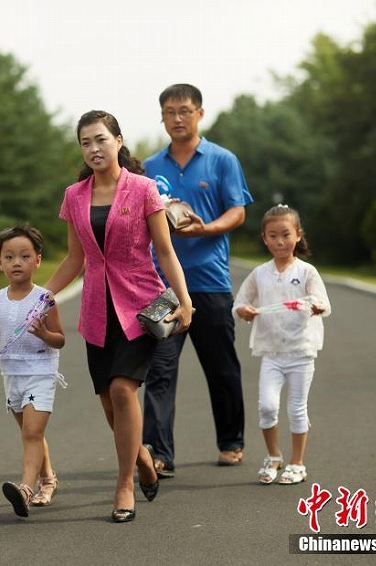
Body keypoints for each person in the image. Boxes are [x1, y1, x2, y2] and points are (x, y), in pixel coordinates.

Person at [44, 110, 192, 523]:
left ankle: (124, 483)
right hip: (96, 308)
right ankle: (142, 456)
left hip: (140, 305)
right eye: (85, 142)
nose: (94, 148)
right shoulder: (74, 195)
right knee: (108, 402)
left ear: (118, 141)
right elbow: (75, 258)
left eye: (101, 139)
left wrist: (185, 301)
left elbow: (165, 251)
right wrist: (42, 296)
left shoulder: (144, 189)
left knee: (125, 390)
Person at [141, 83, 253, 478]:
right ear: (162, 116)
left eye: (184, 111)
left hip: (210, 282)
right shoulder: (150, 166)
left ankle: (231, 441)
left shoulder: (222, 160)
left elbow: (237, 211)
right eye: (169, 112)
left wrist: (207, 230)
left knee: (221, 367)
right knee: (159, 370)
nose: (177, 118)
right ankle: (159, 454)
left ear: (200, 113)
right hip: (162, 286)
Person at [233, 204, 331, 484]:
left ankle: (297, 463)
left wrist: (316, 307)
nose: (279, 241)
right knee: (266, 406)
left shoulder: (307, 271)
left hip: (301, 352)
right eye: (272, 235)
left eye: (285, 234)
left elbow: (322, 302)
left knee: (297, 408)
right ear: (264, 238)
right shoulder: (259, 273)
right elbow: (240, 302)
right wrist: (243, 311)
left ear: (298, 235)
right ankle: (274, 456)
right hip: (272, 353)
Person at [0, 225, 67, 517]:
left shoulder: (45, 299)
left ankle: (25, 490)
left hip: (41, 371)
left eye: (25, 256)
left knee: (31, 432)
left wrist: (43, 334)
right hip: (11, 376)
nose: (17, 262)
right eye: (9, 256)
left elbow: (60, 339)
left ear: (37, 260)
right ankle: (48, 480)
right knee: (32, 434)